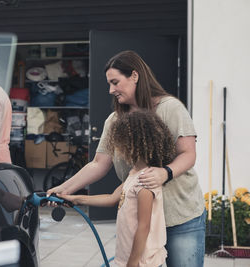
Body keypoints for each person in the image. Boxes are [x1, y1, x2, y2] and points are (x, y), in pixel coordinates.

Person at [48, 50, 206, 266]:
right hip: (140, 220)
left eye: (115, 82)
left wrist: (164, 172)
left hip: (179, 216)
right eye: (109, 84)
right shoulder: (115, 120)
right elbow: (98, 164)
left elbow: (188, 154)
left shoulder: (170, 108)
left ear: (134, 76)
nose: (111, 90)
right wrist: (64, 189)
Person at [60, 110, 175, 267]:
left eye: (120, 144)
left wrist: (132, 264)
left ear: (134, 145)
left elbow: (144, 227)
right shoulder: (134, 173)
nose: (117, 150)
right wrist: (75, 199)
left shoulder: (145, 182)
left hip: (142, 263)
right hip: (126, 258)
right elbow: (112, 198)